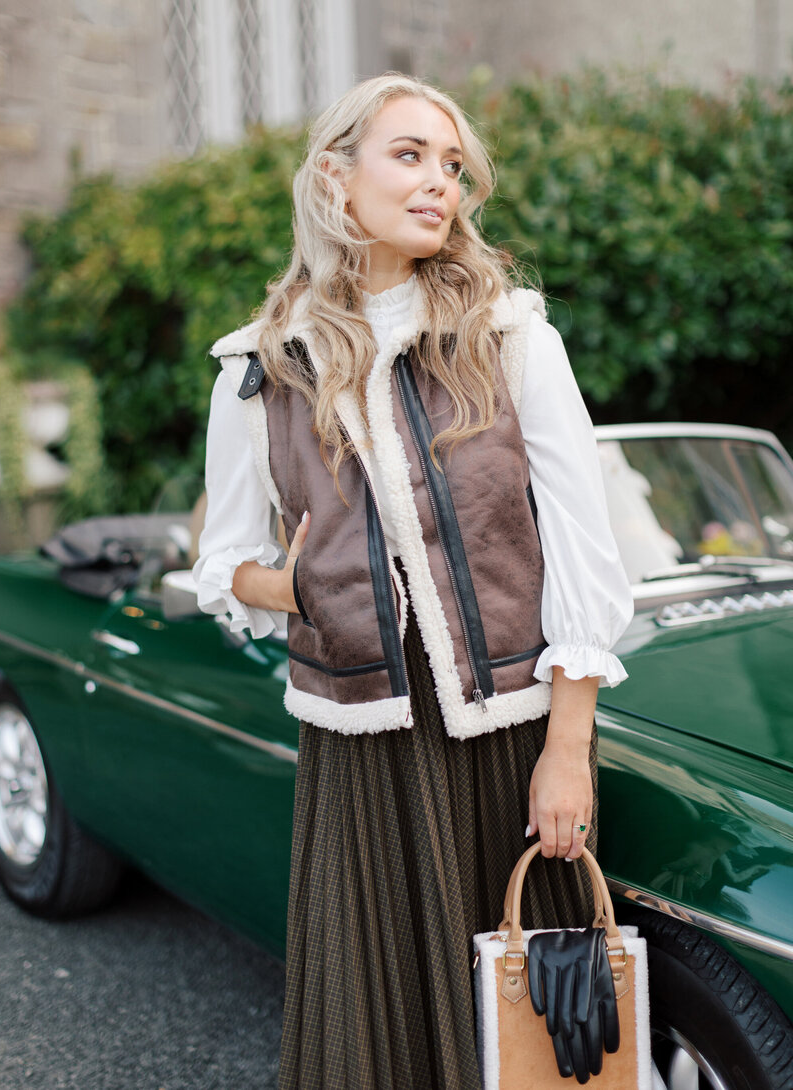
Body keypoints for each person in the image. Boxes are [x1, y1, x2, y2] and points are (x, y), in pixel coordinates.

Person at [193, 72, 633, 1090]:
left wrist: (567, 747)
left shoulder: (508, 335)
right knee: (376, 1032)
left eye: (450, 165)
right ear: (334, 178)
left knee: (538, 1030)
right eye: (408, 155)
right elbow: (220, 563)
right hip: (361, 752)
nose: (437, 181)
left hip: (511, 736)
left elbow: (581, 545)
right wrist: (287, 589)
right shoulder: (260, 367)